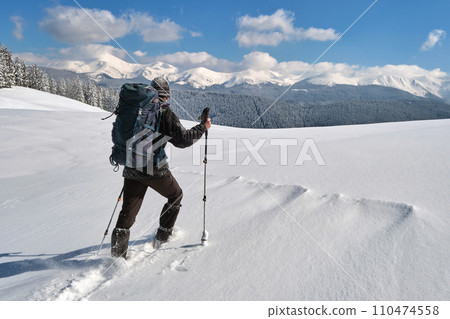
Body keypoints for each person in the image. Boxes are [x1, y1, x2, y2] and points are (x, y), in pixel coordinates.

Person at [111, 77, 211, 259]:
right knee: (176, 194)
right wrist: (203, 127)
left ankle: (117, 256)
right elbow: (183, 140)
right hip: (153, 168)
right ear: (166, 96)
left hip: (132, 164)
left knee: (128, 211)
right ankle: (163, 236)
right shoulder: (164, 112)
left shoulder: (138, 109)